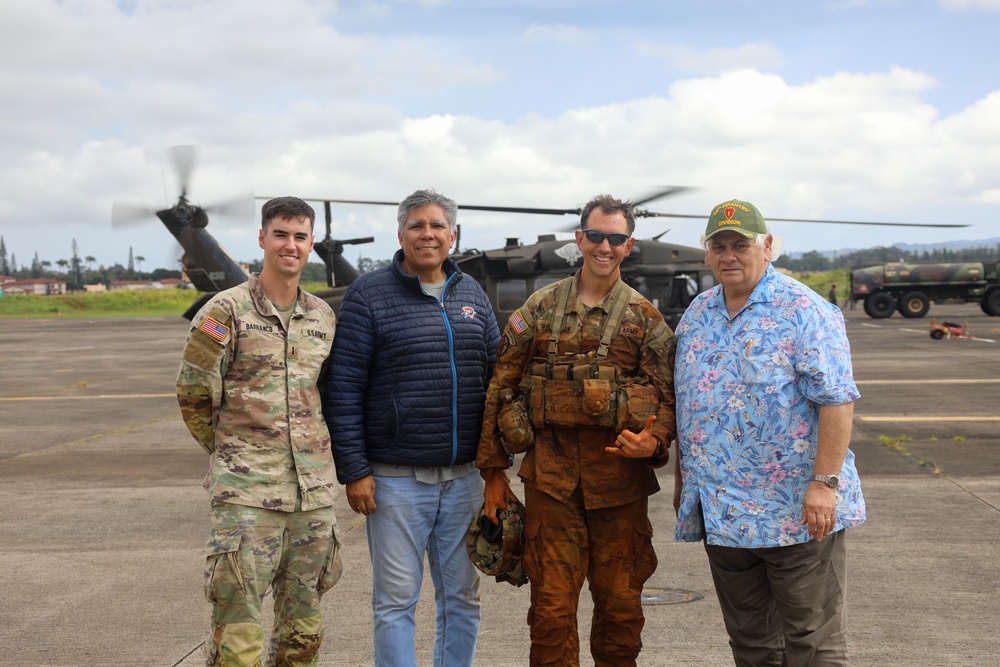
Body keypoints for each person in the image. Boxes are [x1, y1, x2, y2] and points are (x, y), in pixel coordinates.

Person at [477, 194, 677, 667]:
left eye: (616, 238)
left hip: (620, 489)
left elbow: (668, 399)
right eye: (596, 236)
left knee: (621, 612)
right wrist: (493, 474)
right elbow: (500, 385)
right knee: (550, 612)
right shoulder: (540, 309)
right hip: (551, 485)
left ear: (628, 245)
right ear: (580, 239)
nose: (604, 247)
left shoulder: (645, 320)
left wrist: (653, 442)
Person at [673, 199, 866, 666]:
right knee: (752, 644)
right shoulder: (697, 314)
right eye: (719, 246)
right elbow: (690, 403)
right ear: (706, 253)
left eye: (741, 244)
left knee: (811, 640)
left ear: (768, 246)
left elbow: (837, 401)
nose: (729, 255)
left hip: (794, 512)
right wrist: (685, 478)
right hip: (724, 515)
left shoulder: (804, 310)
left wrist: (824, 485)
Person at [323, 189, 500, 667]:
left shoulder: (471, 294)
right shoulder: (368, 294)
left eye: (437, 225)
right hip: (396, 482)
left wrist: (496, 468)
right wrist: (355, 470)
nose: (428, 234)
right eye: (417, 226)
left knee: (463, 599)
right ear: (400, 235)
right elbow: (342, 388)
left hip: (465, 479)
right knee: (395, 603)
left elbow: (499, 375)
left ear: (454, 235)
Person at [176, 196, 342, 667]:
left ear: (309, 244)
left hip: (311, 497)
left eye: (300, 236)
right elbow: (193, 394)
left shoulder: (322, 317)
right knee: (238, 635)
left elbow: (324, 394)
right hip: (247, 498)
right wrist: (233, 452)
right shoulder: (225, 310)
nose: (291, 245)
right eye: (281, 234)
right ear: (263, 238)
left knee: (304, 631)